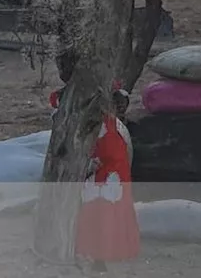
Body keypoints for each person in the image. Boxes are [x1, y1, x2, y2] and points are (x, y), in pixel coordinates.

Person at [49, 80, 140, 270]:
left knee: (99, 213)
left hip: (106, 173)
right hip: (98, 172)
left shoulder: (108, 126)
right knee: (95, 213)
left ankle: (97, 257)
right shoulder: (94, 122)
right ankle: (91, 255)